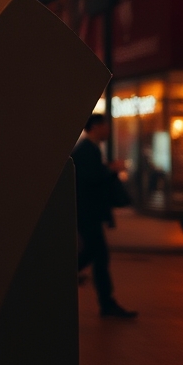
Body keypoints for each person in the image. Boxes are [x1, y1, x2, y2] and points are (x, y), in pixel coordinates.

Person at [73, 114, 137, 318]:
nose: (108, 130)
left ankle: (107, 302)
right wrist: (111, 169)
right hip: (88, 212)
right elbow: (90, 179)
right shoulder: (86, 150)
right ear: (96, 127)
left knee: (98, 255)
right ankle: (106, 303)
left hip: (89, 212)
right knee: (96, 254)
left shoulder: (89, 149)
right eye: (105, 126)